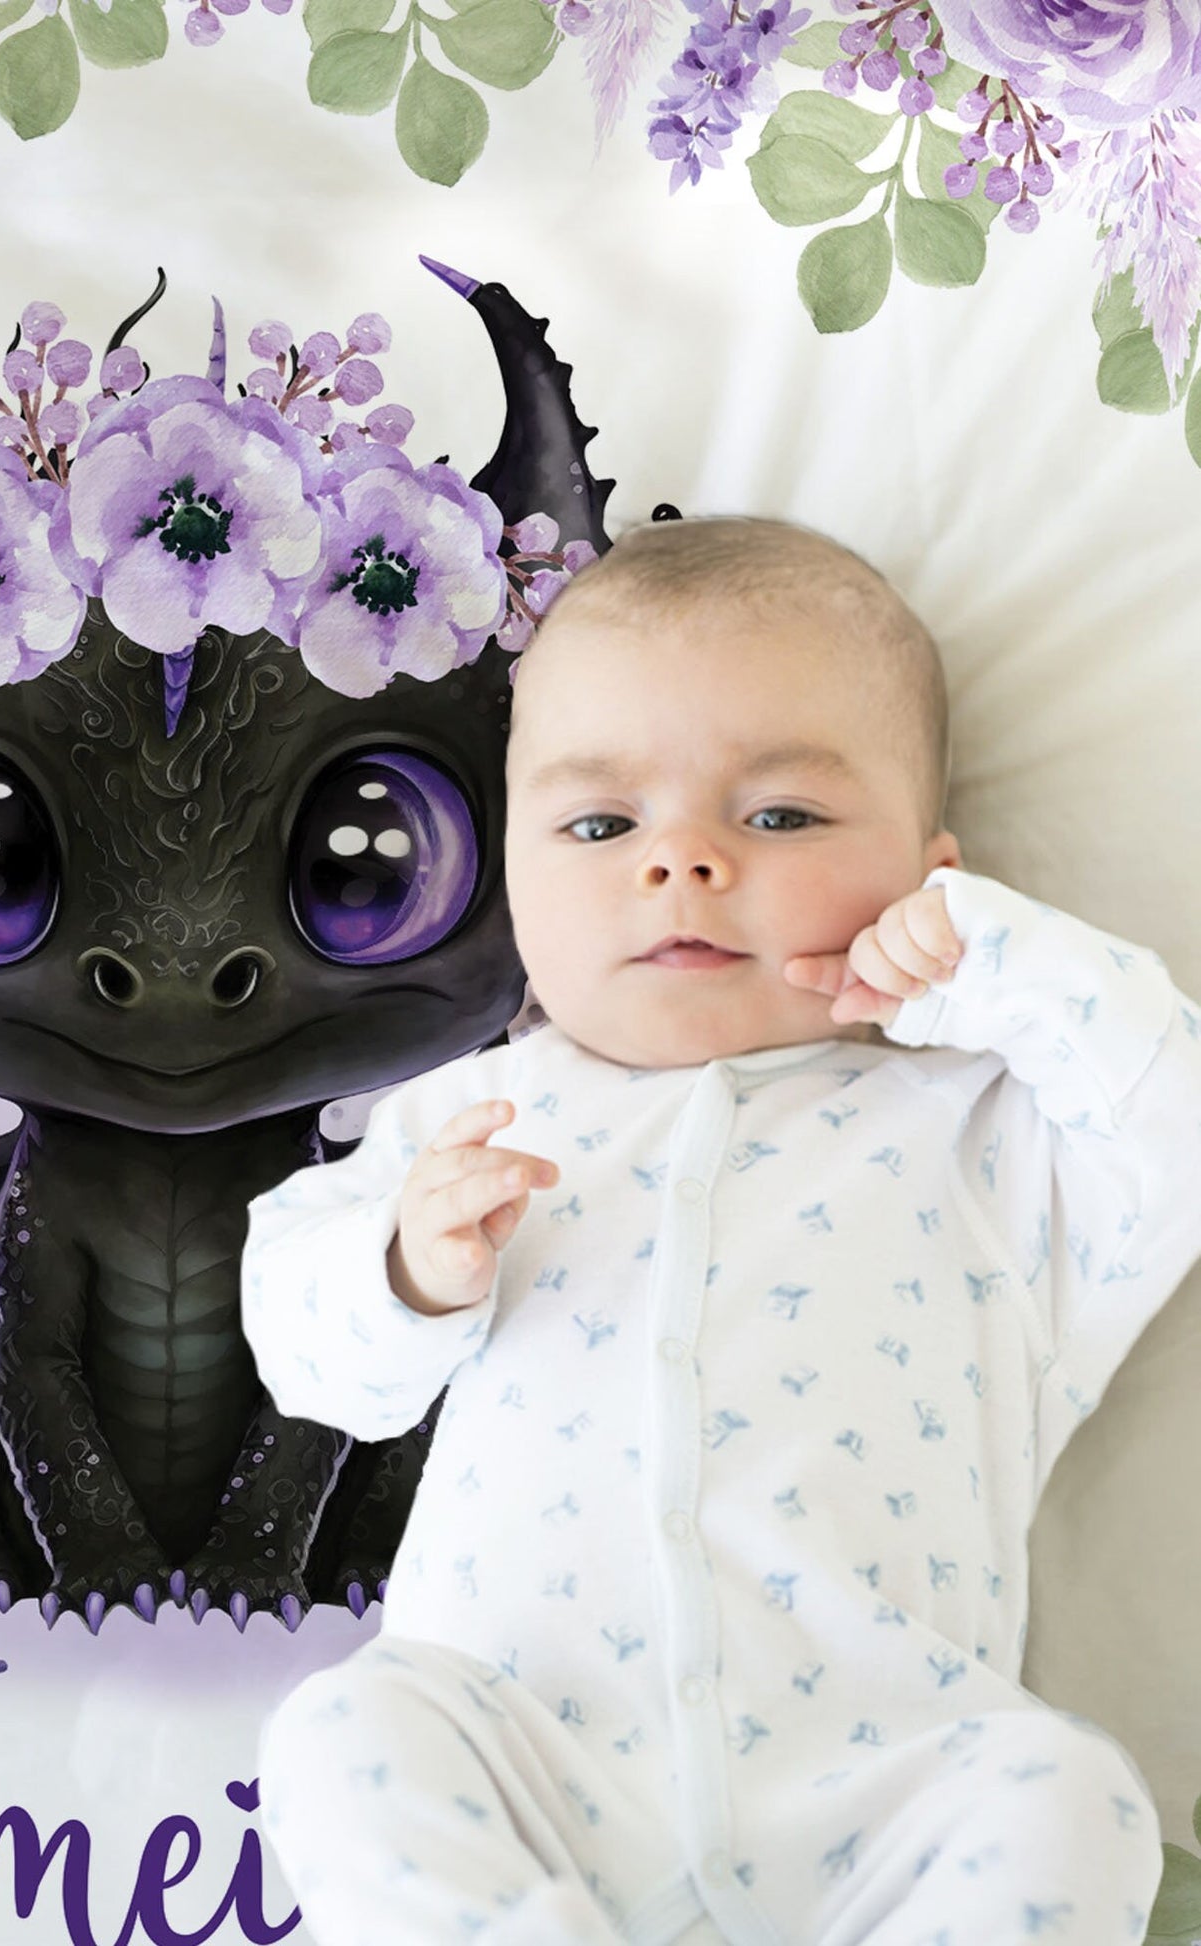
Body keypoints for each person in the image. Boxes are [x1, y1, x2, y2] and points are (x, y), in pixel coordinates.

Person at [241, 514, 1201, 1946]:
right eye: (596, 824)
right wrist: (400, 1269)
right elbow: (303, 1350)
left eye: (778, 816)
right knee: (345, 1728)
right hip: (525, 1761)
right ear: (511, 864)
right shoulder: (473, 1122)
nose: (679, 861)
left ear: (933, 866)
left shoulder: (989, 1134)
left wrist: (993, 967)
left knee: (1070, 1793)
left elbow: (1168, 1118)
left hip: (880, 1783)